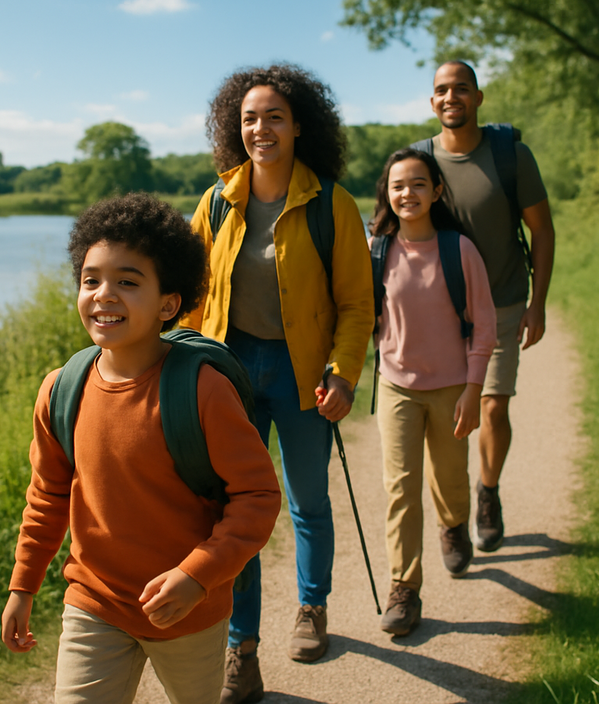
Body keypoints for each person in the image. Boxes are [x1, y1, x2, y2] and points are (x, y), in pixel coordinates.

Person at [0, 193, 281, 704]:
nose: (104, 294)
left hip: (189, 611)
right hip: (94, 603)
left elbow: (258, 496)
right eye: (91, 279)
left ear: (168, 304)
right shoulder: (61, 390)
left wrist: (197, 576)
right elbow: (47, 496)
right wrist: (22, 587)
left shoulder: (202, 391)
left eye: (128, 282)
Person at [180, 64, 374, 702]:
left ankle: (311, 609)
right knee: (234, 515)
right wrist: (175, 363)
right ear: (235, 129)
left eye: (274, 117)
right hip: (227, 375)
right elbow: (186, 295)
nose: (260, 129)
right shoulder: (215, 202)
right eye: (249, 119)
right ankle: (242, 647)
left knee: (307, 503)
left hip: (302, 378)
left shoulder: (332, 205)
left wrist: (344, 374)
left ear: (298, 126)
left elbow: (355, 306)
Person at [422, 60, 555, 553]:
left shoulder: (510, 156)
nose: (450, 96)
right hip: (438, 315)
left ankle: (488, 492)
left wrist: (537, 303)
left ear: (478, 98)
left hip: (500, 304)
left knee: (492, 408)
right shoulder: (420, 163)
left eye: (461, 88)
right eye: (441, 90)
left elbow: (541, 230)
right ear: (431, 102)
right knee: (447, 420)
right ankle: (453, 520)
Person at [369, 148, 496, 636]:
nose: (408, 193)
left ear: (436, 191)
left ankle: (454, 524)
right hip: (396, 387)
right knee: (400, 490)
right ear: (388, 193)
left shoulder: (458, 249)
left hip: (451, 388)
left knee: (449, 481)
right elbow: (360, 316)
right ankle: (404, 588)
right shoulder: (377, 250)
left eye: (418, 184)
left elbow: (484, 327)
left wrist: (473, 388)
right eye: (398, 185)